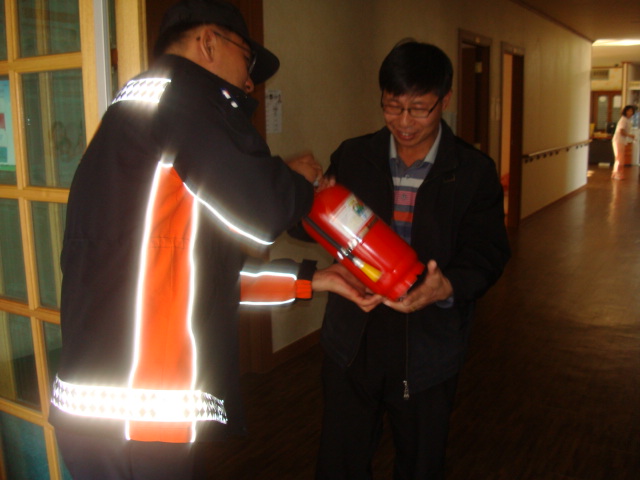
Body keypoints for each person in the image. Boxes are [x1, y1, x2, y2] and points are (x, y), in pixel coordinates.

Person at [48, 1, 372, 479]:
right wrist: (297, 180)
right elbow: (264, 213)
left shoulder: (133, 111)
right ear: (207, 43)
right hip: (142, 414)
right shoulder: (188, 96)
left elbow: (196, 274)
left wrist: (314, 279)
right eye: (247, 60)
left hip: (92, 411)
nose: (249, 84)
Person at [312, 41, 511, 479]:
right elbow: (315, 222)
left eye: (419, 109)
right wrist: (299, 194)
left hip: (428, 345)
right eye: (392, 106)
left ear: (445, 100)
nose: (404, 122)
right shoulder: (354, 156)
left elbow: (489, 251)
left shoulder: (473, 171)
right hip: (354, 337)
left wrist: (448, 285)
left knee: (421, 464)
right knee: (340, 461)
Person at [611, 105, 636, 180]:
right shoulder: (623, 120)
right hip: (618, 140)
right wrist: (630, 135)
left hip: (621, 141)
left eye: (632, 111)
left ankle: (616, 173)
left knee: (620, 158)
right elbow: (621, 131)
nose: (630, 112)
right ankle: (617, 174)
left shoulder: (627, 120)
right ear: (625, 111)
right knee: (619, 158)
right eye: (629, 111)